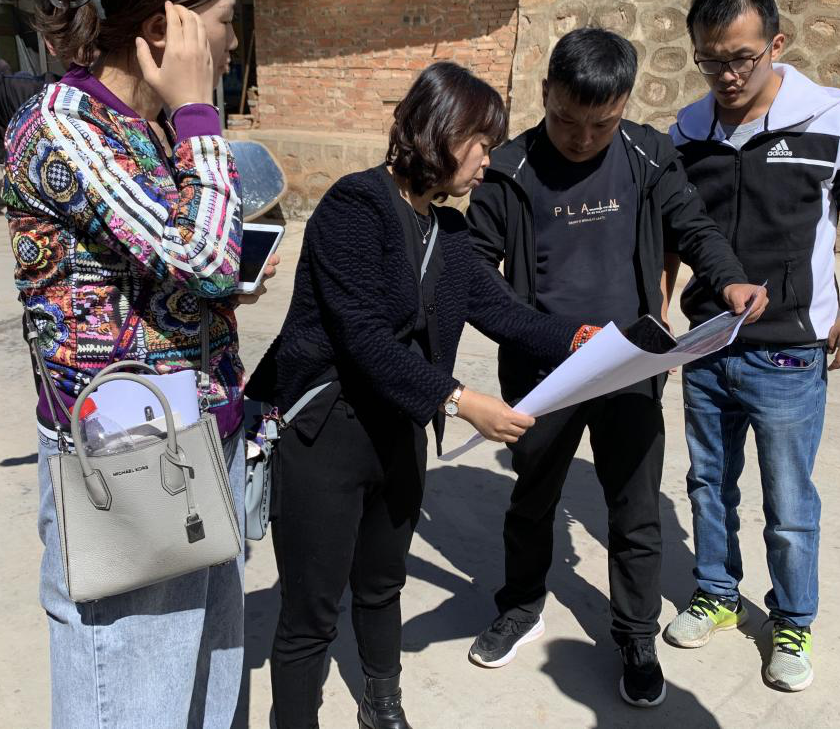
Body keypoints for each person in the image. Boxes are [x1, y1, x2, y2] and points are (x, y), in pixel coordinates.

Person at [245, 61, 602, 729]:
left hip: (399, 434)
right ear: (444, 132)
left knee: (383, 584)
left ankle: (382, 706)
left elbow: (510, 317)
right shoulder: (354, 207)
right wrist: (461, 400)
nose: (488, 162)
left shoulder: (451, 233)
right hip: (327, 433)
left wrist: (594, 341)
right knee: (311, 612)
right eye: (482, 144)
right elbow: (364, 339)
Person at [464, 27, 768, 709]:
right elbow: (476, 275)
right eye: (566, 120)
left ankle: (635, 635)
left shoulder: (647, 153)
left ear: (625, 105)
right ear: (546, 93)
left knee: (635, 509)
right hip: (544, 370)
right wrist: (539, 335)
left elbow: (694, 227)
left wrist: (729, 279)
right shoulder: (509, 169)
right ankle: (520, 606)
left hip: (631, 364)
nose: (582, 138)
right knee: (532, 498)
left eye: (601, 124)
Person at [4, 0, 256, 728]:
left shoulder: (146, 127)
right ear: (162, 29)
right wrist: (199, 116)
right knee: (134, 702)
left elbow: (179, 268)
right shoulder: (64, 127)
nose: (231, 45)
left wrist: (222, 289)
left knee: (206, 694)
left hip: (195, 438)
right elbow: (204, 255)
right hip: (125, 456)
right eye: (224, 23)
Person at [662, 0, 840, 693]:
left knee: (789, 502)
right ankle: (717, 593)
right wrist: (659, 308)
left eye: (742, 57)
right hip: (708, 345)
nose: (727, 76)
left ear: (777, 44)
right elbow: (671, 230)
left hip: (791, 353)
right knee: (708, 483)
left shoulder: (831, 123)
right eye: (711, 61)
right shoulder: (687, 132)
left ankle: (793, 619)